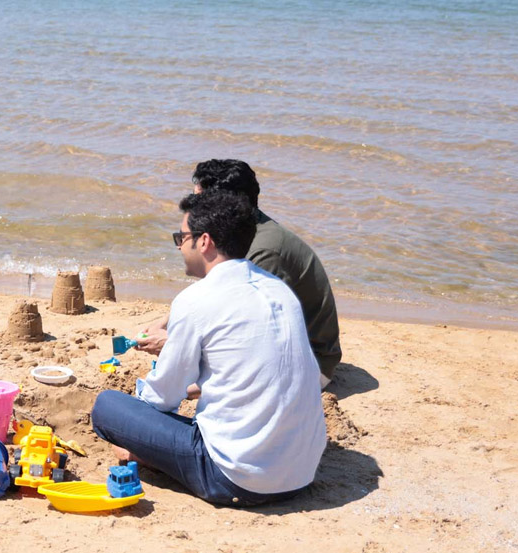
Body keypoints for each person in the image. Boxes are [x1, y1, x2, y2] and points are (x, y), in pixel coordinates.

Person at [92, 190, 326, 506]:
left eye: (181, 237)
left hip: (235, 478)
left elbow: (161, 398)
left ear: (204, 242)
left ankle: (149, 456)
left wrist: (140, 426)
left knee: (107, 407)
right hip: (300, 473)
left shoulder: (196, 299)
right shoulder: (279, 291)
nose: (179, 246)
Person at [137, 159, 341, 387]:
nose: (193, 206)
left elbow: (252, 333)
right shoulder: (242, 234)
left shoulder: (263, 251)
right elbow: (219, 290)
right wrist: (165, 323)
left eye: (199, 199)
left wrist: (174, 344)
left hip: (309, 364)